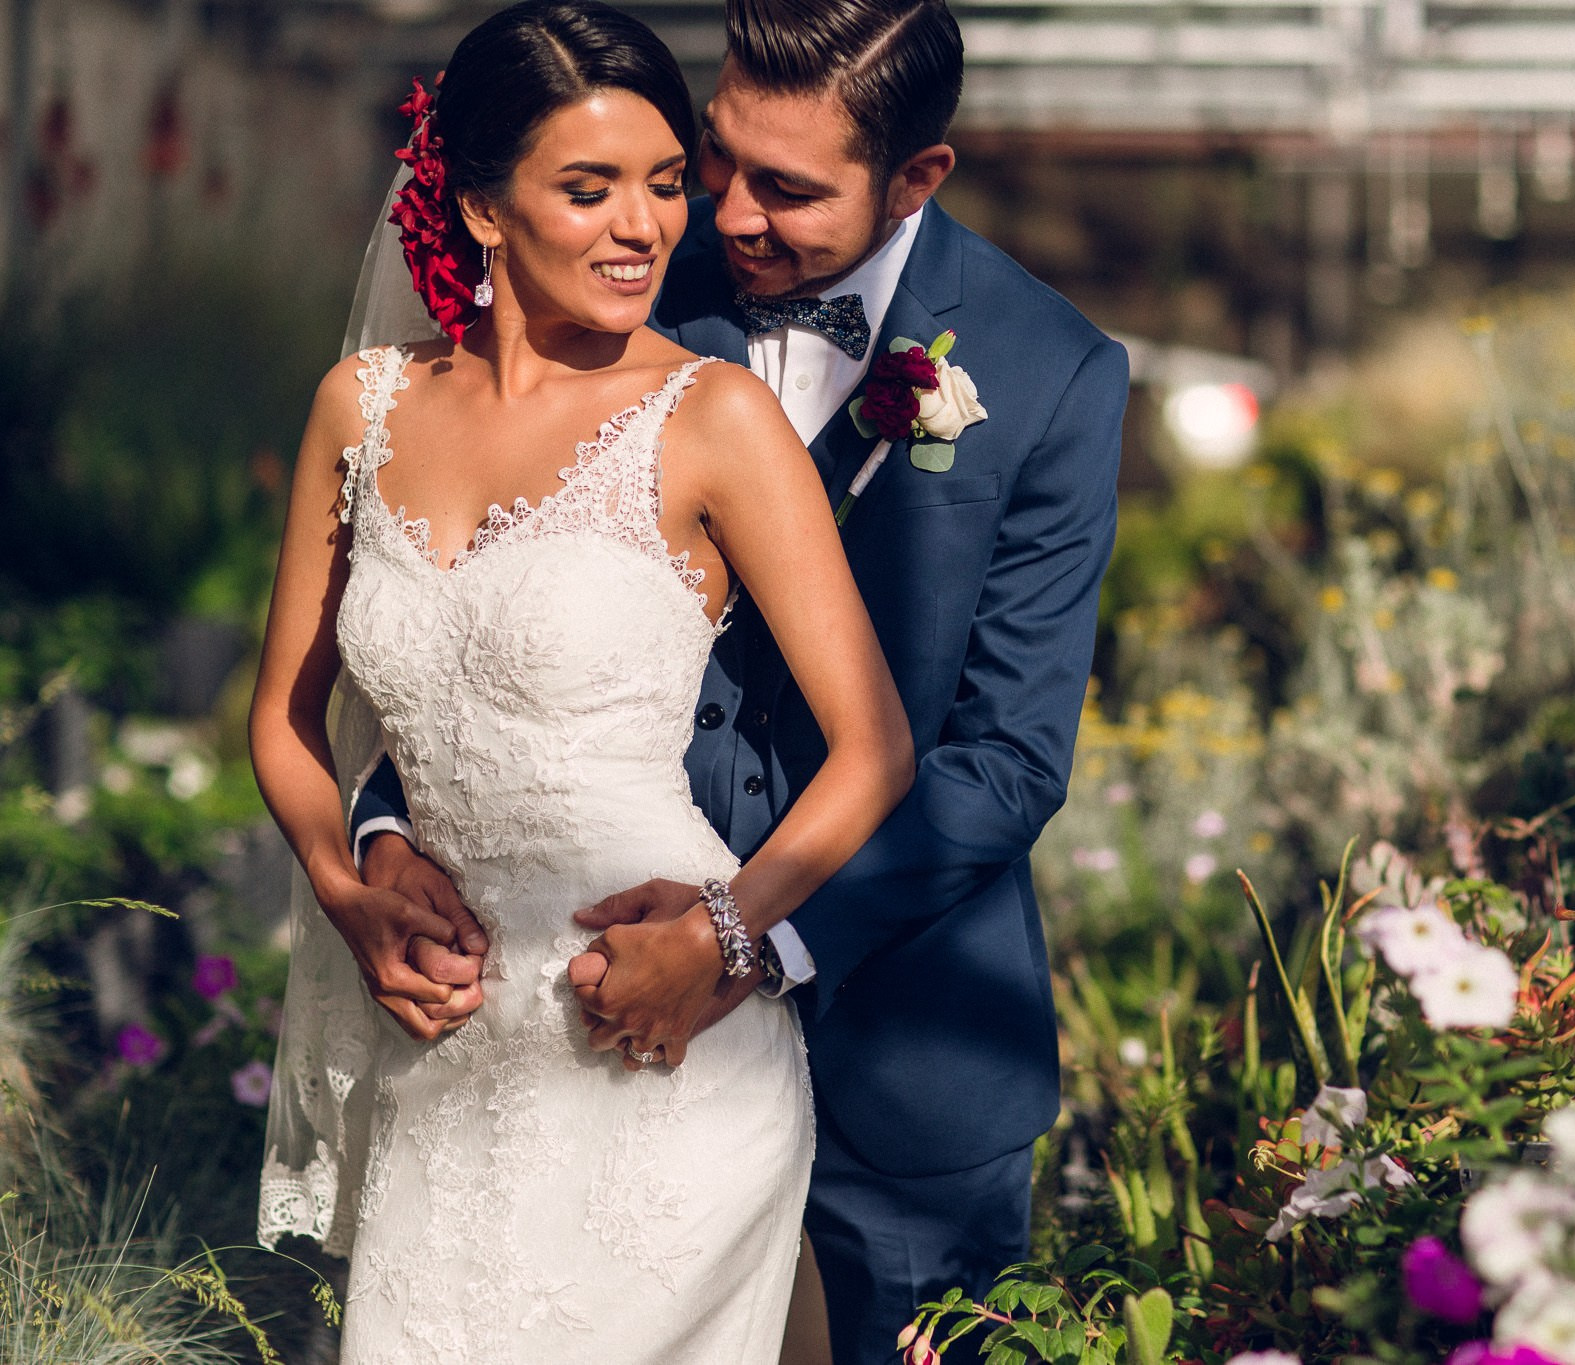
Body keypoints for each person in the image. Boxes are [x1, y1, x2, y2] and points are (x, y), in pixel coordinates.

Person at [351, 0, 1130, 1357]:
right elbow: (463, 577)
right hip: (577, 1028)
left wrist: (745, 936)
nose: (726, 211)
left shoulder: (1051, 372)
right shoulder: (624, 265)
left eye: (789, 188)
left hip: (904, 1038)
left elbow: (1005, 760)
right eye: (717, 158)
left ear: (916, 181)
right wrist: (384, 825)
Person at [247, 3, 913, 1361]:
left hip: (654, 1057)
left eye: (667, 183)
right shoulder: (358, 406)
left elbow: (875, 746)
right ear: (486, 210)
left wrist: (730, 933)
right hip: (441, 1060)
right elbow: (284, 716)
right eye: (589, 187)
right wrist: (350, 891)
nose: (645, 227)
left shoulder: (713, 418)